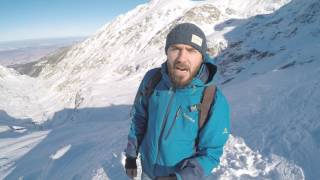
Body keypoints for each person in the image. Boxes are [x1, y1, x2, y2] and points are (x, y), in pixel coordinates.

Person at [124, 23, 230, 180]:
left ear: (202, 57)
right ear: (167, 52)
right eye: (175, 49)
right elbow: (139, 118)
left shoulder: (213, 99)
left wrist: (180, 177)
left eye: (191, 51)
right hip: (147, 172)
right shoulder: (153, 79)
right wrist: (131, 155)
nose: (182, 58)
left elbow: (211, 152)